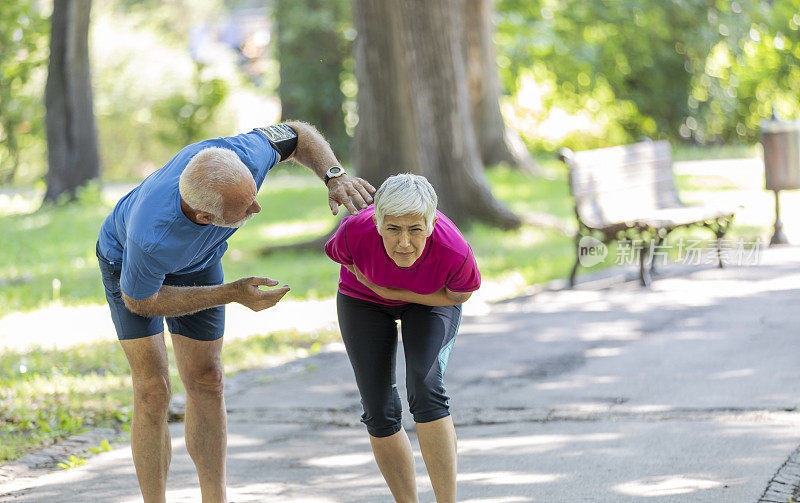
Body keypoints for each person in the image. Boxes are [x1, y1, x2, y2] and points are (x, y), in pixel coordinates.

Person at [96, 121, 375, 503]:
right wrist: (230, 293)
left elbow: (299, 133)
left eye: (252, 195)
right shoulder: (151, 236)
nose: (257, 207)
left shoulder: (246, 155)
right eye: (245, 208)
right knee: (152, 390)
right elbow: (142, 301)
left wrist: (334, 176)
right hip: (130, 270)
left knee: (208, 380)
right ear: (206, 217)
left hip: (198, 259)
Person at [324, 173, 480, 503]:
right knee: (379, 410)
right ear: (377, 221)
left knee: (426, 389)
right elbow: (342, 258)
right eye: (393, 228)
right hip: (363, 301)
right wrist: (375, 289)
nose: (404, 242)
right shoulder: (355, 230)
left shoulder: (454, 251)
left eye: (415, 229)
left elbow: (458, 295)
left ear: (432, 222)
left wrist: (392, 290)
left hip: (432, 301)